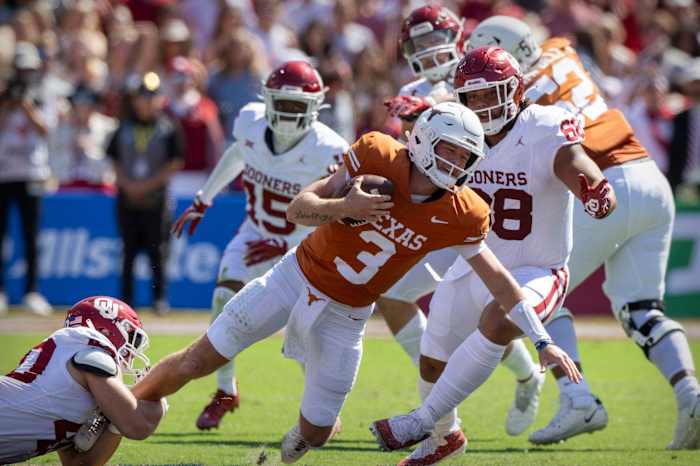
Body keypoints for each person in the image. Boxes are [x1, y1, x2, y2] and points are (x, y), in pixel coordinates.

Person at [131, 101, 580, 464]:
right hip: (296, 277)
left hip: (349, 315)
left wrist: (542, 340)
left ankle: (277, 456)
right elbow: (299, 208)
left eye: (466, 157)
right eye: (450, 150)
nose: (457, 163)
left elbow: (500, 281)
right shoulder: (377, 155)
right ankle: (113, 410)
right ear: (423, 140)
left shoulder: (464, 211)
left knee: (317, 432)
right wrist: (343, 206)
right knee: (200, 359)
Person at [370, 46, 612, 466]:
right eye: (473, 97)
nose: (481, 106)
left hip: (539, 267)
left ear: (516, 90)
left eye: (490, 94)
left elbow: (576, 163)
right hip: (477, 261)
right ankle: (445, 437)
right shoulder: (459, 130)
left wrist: (595, 190)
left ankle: (421, 421)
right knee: (432, 360)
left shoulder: (545, 125)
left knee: (499, 321)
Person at [467, 16, 698, 449]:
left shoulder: (509, 94)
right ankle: (690, 392)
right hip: (648, 178)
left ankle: (577, 397)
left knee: (541, 287)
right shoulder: (560, 48)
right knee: (641, 308)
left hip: (597, 180)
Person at [383, 4, 543, 437]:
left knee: (477, 310)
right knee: (394, 296)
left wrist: (423, 110)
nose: (431, 52)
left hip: (485, 213)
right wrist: (409, 123)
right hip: (440, 210)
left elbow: (479, 127)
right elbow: (414, 156)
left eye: (437, 41)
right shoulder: (415, 86)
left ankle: (525, 378)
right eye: (420, 45)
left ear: (458, 39)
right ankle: (448, 408)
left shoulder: (482, 73)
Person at [173, 60, 348, 431]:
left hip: (303, 245)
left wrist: (288, 242)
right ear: (267, 101)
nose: (287, 113)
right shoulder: (250, 122)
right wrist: (205, 198)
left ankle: (320, 413)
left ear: (315, 108)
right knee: (223, 300)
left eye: (296, 106)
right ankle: (224, 391)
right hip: (254, 231)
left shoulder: (328, 149)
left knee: (304, 330)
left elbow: (338, 213)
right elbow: (239, 153)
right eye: (281, 103)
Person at [0, 296, 166, 464]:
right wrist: (157, 396)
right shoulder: (89, 349)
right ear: (105, 331)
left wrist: (114, 424)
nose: (131, 350)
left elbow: (78, 464)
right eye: (130, 337)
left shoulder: (69, 380)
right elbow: (136, 427)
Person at [107, 72, 184, 315]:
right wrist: (127, 185)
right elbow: (114, 160)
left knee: (157, 251)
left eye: (151, 96)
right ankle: (125, 301)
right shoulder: (123, 127)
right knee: (127, 252)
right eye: (142, 96)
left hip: (156, 200)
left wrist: (146, 185)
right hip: (127, 199)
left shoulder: (168, 127)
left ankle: (159, 299)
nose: (146, 101)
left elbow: (175, 162)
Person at [0, 42, 53, 317]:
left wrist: (26, 105)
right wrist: (8, 103)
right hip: (4, 172)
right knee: (1, 235)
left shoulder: (42, 94)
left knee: (31, 236)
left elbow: (46, 129)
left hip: (32, 172)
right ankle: (1, 292)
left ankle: (31, 291)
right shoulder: (4, 96)